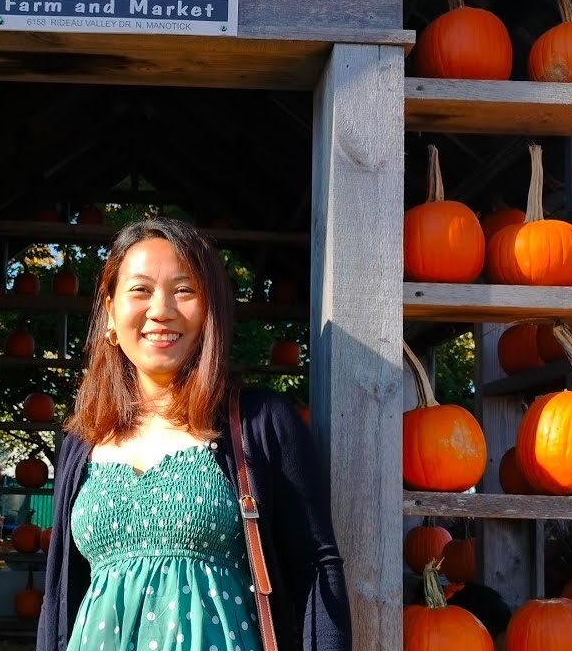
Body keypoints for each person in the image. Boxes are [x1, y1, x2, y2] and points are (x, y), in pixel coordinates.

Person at [37, 217, 351, 651]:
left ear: (209, 313)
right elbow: (59, 595)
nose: (160, 309)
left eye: (183, 291)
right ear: (110, 312)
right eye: (140, 290)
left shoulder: (263, 422)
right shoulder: (81, 443)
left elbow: (316, 567)